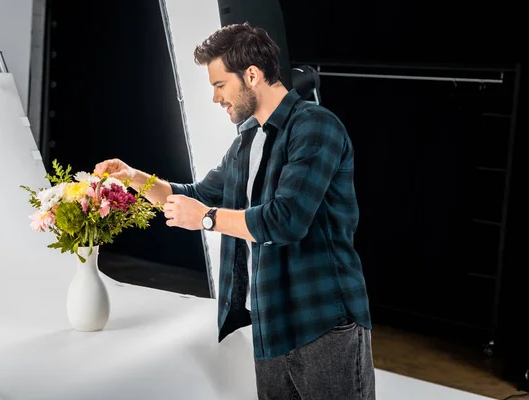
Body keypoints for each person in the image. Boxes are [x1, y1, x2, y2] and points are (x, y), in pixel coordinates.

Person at [94, 22, 375, 400]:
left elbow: (285, 220)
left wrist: (207, 218)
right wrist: (132, 177)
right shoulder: (246, 142)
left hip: (324, 321)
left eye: (219, 85)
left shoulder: (315, 126)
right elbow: (196, 194)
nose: (215, 98)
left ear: (253, 75)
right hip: (271, 322)